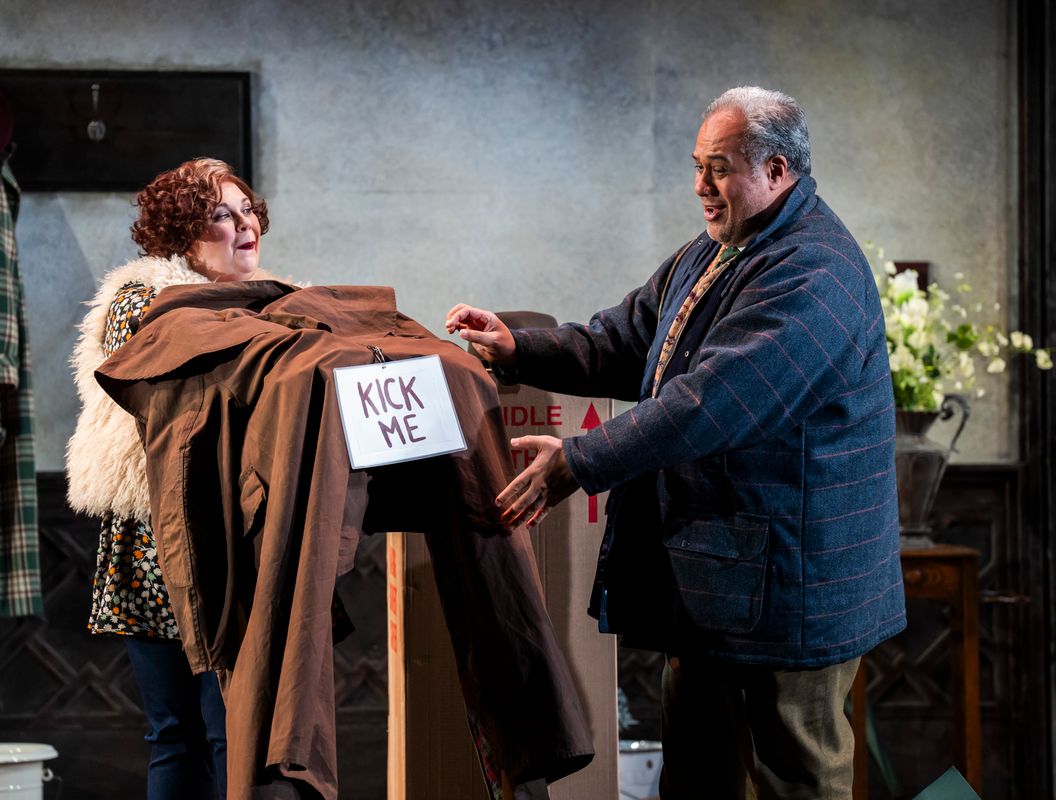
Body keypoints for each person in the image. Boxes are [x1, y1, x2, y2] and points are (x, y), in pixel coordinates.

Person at [447, 86, 906, 798]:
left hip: (793, 589)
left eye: (718, 167)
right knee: (696, 778)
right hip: (719, 581)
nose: (700, 186)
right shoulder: (721, 249)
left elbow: (711, 402)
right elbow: (629, 339)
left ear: (778, 171)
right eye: (698, 165)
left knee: (799, 780)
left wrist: (578, 461)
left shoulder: (817, 272)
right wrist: (520, 351)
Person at [66, 158, 278, 800]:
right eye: (221, 215)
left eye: (249, 212)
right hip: (159, 534)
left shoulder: (269, 305)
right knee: (179, 733)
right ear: (180, 230)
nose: (244, 227)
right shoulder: (148, 300)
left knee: (230, 731)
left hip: (230, 530)